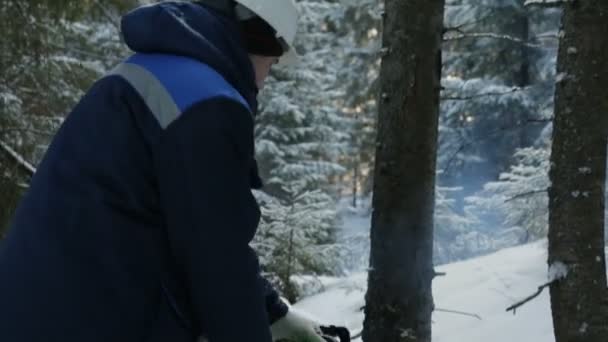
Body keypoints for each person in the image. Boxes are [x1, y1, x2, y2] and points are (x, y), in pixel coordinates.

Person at [0, 1, 347, 341]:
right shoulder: (209, 104)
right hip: (92, 320)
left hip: (37, 307)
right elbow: (217, 262)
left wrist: (273, 312)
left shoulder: (148, 72)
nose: (263, 82)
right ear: (258, 38)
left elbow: (190, 229)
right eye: (270, 66)